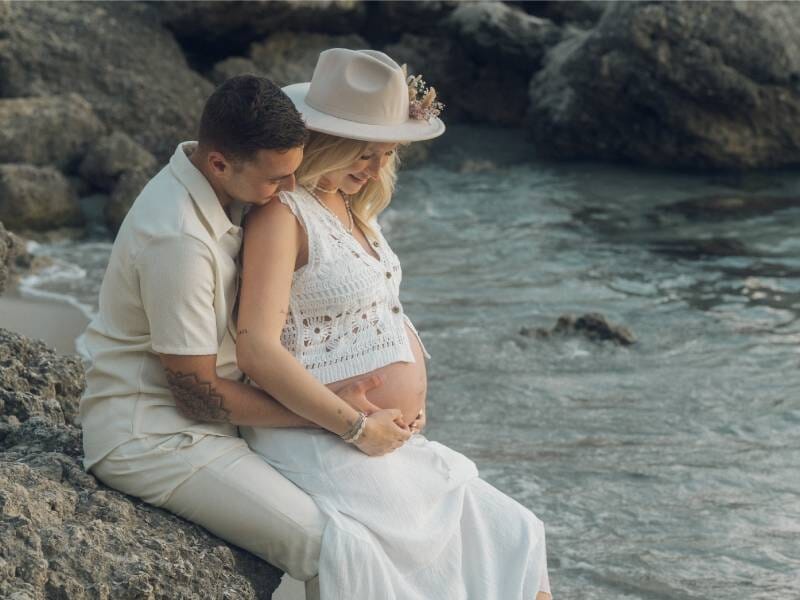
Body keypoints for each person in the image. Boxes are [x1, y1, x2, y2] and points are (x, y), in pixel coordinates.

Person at [236, 48, 552, 599]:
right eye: (365, 154)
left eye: (387, 154)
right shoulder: (282, 215)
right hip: (321, 436)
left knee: (517, 533)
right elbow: (257, 349)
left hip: (377, 437)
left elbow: (371, 316)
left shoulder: (348, 204)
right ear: (325, 141)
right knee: (460, 556)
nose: (377, 169)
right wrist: (354, 425)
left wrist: (404, 402)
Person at [78, 75, 409, 599]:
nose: (290, 192)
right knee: (333, 541)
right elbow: (195, 393)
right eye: (277, 180)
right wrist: (344, 421)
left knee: (383, 515)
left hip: (222, 422)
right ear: (219, 163)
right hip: (156, 437)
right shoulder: (179, 241)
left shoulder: (221, 182)